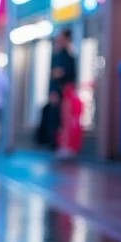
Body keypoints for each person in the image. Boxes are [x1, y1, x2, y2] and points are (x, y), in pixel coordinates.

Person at [50, 29, 79, 157]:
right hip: (60, 90)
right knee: (59, 119)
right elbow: (53, 74)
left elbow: (69, 74)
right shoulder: (58, 54)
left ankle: (67, 145)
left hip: (67, 91)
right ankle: (61, 144)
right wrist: (53, 91)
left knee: (67, 119)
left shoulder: (70, 54)